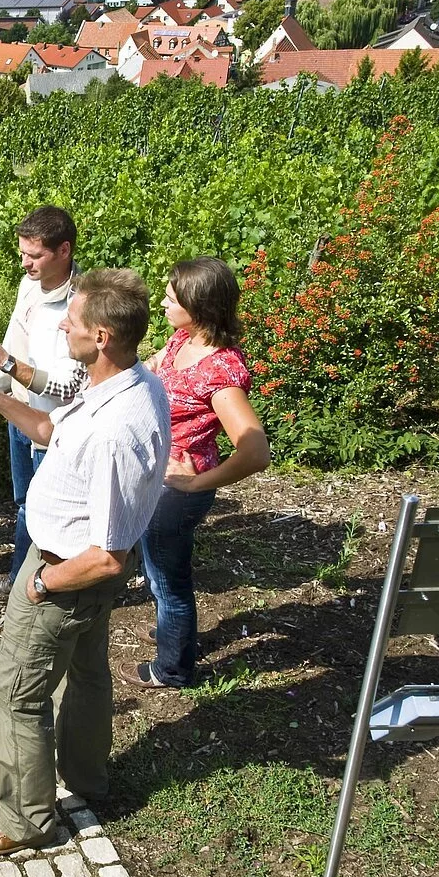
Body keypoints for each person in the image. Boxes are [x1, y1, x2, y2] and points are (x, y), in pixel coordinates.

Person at [0, 269, 169, 856]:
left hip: (65, 576)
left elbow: (108, 556)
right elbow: (50, 429)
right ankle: (88, 778)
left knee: (18, 695)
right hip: (63, 571)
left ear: (100, 335)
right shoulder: (119, 386)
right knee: (88, 675)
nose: (61, 326)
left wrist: (44, 584)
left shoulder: (120, 427)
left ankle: (24, 820)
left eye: (70, 321)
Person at [127, 258, 270, 689]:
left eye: (173, 298)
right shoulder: (182, 340)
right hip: (160, 479)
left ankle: (172, 669)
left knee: (169, 579)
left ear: (201, 306)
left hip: (178, 490)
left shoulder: (219, 373)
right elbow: (151, 368)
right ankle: (173, 633)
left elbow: (256, 450)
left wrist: (197, 483)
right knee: (156, 572)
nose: (164, 302)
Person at [0, 207, 87, 599]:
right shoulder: (29, 285)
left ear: (64, 251)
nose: (25, 263)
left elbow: (68, 386)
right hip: (18, 414)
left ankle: (41, 585)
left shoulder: (81, 305)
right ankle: (21, 579)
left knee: (47, 511)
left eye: (34, 255)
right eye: (22, 253)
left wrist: (8, 365)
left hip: (51, 426)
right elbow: (14, 336)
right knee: (24, 503)